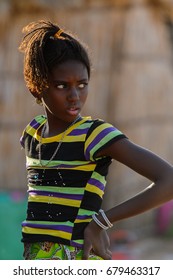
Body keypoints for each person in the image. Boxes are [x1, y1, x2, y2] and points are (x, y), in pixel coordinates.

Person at [19, 20, 173, 260]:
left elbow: (169, 180)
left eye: (82, 85)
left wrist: (101, 222)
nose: (74, 96)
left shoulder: (94, 135)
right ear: (37, 87)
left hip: (78, 257)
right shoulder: (33, 133)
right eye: (62, 86)